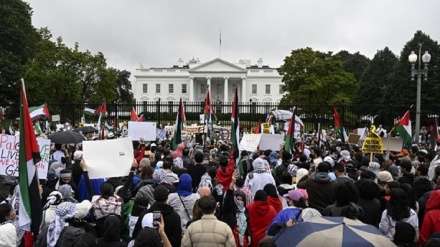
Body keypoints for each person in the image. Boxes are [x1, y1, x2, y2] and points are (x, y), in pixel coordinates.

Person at [222, 173, 251, 247]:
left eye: (242, 200)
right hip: (231, 239)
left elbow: (246, 223)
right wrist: (232, 183)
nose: (240, 202)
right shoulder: (230, 208)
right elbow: (228, 200)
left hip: (242, 240)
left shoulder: (245, 210)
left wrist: (248, 235)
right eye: (238, 199)